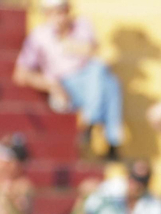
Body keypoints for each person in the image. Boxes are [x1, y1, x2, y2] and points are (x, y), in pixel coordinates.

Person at [13, 0, 122, 159]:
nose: (60, 16)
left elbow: (92, 51)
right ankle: (109, 141)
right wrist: (52, 85)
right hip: (65, 86)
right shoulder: (39, 36)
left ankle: (91, 123)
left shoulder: (82, 26)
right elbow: (21, 74)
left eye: (62, 11)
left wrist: (65, 41)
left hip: (90, 84)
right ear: (46, 14)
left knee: (108, 81)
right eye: (55, 12)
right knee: (107, 82)